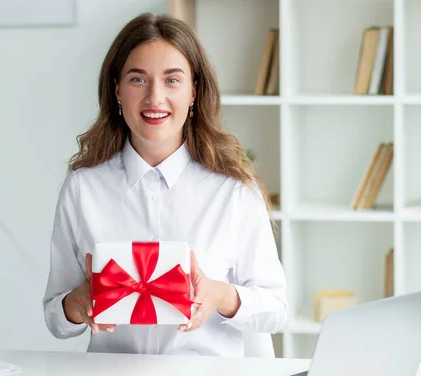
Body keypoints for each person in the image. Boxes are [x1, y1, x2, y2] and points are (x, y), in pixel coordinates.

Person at [42, 12, 287, 356]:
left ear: (193, 92)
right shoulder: (83, 189)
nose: (155, 98)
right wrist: (75, 304)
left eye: (172, 80)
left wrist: (220, 295)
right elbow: (55, 316)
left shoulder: (232, 191)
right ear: (116, 90)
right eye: (138, 80)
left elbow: (276, 310)